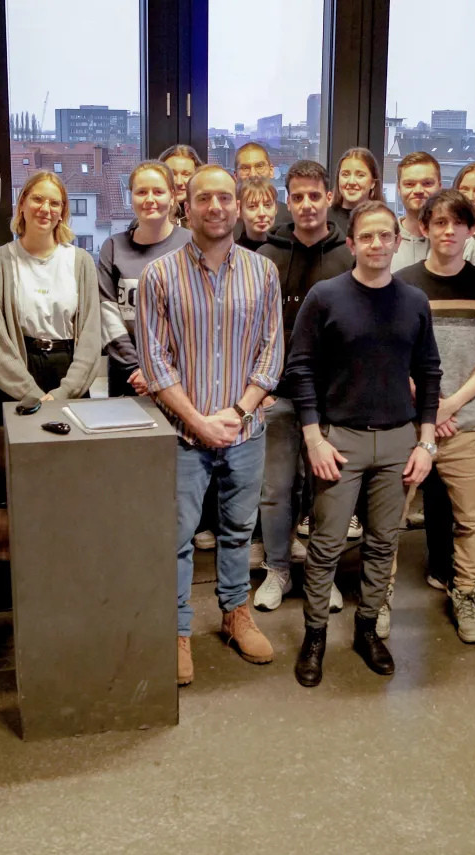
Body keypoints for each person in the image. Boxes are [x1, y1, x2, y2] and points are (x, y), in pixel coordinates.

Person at [282, 200, 442, 686]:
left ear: (398, 240)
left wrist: (426, 442)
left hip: (398, 440)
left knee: (383, 543)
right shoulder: (325, 297)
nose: (376, 244)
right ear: (350, 243)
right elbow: (300, 368)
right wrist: (313, 437)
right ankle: (314, 635)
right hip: (339, 440)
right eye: (366, 236)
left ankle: (367, 629)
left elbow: (429, 371)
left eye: (385, 236)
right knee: (326, 545)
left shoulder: (413, 301)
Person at [136, 164, 284, 686]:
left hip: (245, 431)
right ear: (186, 205)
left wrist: (239, 412)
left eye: (225, 198)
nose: (216, 207)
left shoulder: (263, 273)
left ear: (238, 206)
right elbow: (154, 363)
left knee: (238, 530)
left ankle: (234, 614)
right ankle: (177, 630)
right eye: (205, 198)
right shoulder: (158, 277)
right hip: (182, 434)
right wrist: (199, 422)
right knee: (175, 537)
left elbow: (272, 354)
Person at [395, 190, 475, 644]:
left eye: (456, 223)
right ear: (424, 228)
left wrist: (450, 405)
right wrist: (428, 407)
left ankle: (465, 595)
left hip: (466, 425)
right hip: (407, 426)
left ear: (471, 229)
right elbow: (394, 353)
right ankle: (379, 600)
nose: (447, 232)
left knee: (470, 520)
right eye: (438, 223)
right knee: (389, 519)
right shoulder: (402, 284)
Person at [251, 160, 354, 613]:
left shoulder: (347, 256)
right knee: (274, 489)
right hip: (277, 395)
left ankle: (319, 572)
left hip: (333, 400)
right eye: (298, 197)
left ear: (329, 197)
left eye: (316, 195)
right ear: (286, 201)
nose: (308, 204)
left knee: (325, 492)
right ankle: (277, 568)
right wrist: (259, 387)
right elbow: (249, 328)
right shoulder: (264, 257)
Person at [0, 170, 101, 424]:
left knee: (72, 461)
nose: (45, 208)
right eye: (37, 199)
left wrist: (64, 393)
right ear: (22, 203)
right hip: (16, 378)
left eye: (54, 203)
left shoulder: (81, 262)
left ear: (62, 212)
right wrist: (30, 394)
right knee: (21, 461)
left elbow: (90, 335)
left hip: (69, 375)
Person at [99, 161, 192, 397]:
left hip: (181, 374)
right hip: (127, 375)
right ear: (131, 197)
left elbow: (198, 318)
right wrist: (137, 369)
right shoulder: (113, 247)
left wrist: (157, 372)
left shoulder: (192, 245)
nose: (149, 199)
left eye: (158, 191)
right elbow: (107, 314)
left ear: (172, 197)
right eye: (141, 192)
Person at [389, 151, 475, 271]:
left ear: (439, 186)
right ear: (398, 188)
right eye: (409, 184)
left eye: (427, 183)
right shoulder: (384, 239)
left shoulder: (463, 242)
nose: (418, 190)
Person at [233, 141, 291, 243]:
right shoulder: (225, 222)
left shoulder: (290, 219)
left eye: (259, 166)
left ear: (272, 171)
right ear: (235, 176)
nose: (253, 174)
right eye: (245, 168)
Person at [328, 147, 383, 233]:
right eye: (345, 175)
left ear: (373, 182)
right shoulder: (324, 220)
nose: (351, 182)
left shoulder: (384, 221)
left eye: (360, 175)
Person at [160, 144, 204, 229]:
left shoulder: (208, 219)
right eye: (172, 174)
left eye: (186, 174)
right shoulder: (146, 223)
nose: (179, 182)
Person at [236, 177, 279, 252]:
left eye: (267, 205)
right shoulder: (232, 255)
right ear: (239, 210)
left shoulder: (287, 252)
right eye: (252, 206)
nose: (261, 213)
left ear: (276, 208)